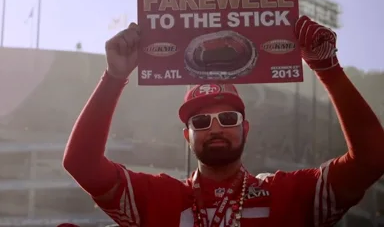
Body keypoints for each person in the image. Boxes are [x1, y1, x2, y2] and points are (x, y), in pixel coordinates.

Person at [61, 16, 384, 227]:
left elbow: (372, 158)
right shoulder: (157, 197)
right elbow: (80, 164)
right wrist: (114, 77)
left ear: (245, 128)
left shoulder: (291, 194)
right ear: (186, 136)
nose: (215, 127)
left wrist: (328, 69)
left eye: (228, 118)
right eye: (201, 122)